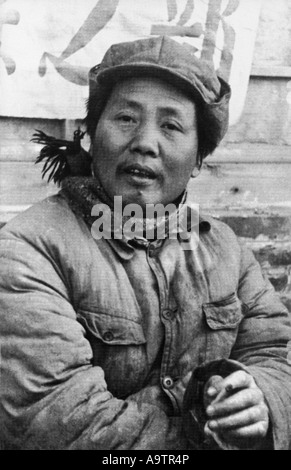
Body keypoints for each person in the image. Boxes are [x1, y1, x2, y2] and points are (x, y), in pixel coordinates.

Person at [0, 36, 290, 451]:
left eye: (171, 126)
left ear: (198, 161)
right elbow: (57, 421)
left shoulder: (226, 250)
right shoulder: (29, 250)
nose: (145, 142)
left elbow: (275, 352)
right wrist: (205, 433)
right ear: (91, 134)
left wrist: (260, 401)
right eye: (125, 118)